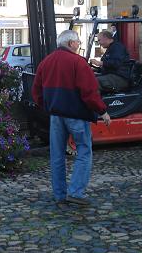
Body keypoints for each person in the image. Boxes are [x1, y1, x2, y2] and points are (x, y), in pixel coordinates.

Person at [32, 30, 110, 207]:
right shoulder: (78, 62)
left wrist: (48, 106)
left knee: (57, 155)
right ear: (71, 43)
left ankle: (60, 195)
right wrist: (102, 111)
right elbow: (90, 92)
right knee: (84, 150)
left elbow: (36, 91)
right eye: (78, 42)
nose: (79, 45)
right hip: (76, 115)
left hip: (56, 115)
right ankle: (76, 192)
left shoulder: (46, 62)